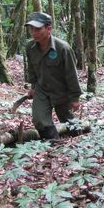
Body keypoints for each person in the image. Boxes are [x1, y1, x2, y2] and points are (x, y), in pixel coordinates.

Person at [25, 11, 82, 140]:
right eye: (31, 29)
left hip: (61, 91)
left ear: (48, 28)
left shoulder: (63, 48)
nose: (34, 33)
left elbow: (71, 74)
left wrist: (74, 98)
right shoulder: (30, 47)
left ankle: (80, 140)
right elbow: (31, 69)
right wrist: (33, 86)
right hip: (42, 89)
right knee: (39, 119)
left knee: (68, 120)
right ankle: (54, 145)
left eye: (38, 29)